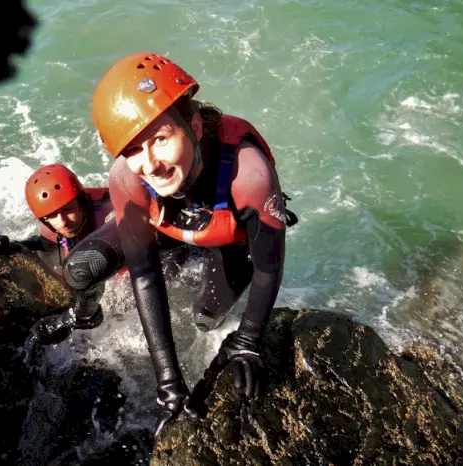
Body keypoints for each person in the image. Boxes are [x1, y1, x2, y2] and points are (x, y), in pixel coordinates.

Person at [89, 52, 297, 436]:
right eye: (133, 149)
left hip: (227, 235)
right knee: (84, 266)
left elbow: (269, 267)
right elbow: (145, 277)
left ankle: (201, 259)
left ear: (195, 127)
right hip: (171, 228)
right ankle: (178, 255)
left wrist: (248, 340)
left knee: (206, 317)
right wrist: (168, 379)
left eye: (161, 139)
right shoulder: (128, 178)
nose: (150, 164)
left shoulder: (247, 175)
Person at [0, 163, 190, 361]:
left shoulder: (109, 212)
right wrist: (7, 246)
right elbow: (41, 245)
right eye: (53, 215)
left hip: (165, 255)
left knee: (128, 303)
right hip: (116, 269)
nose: (63, 221)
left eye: (68, 209)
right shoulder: (56, 229)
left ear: (81, 201)